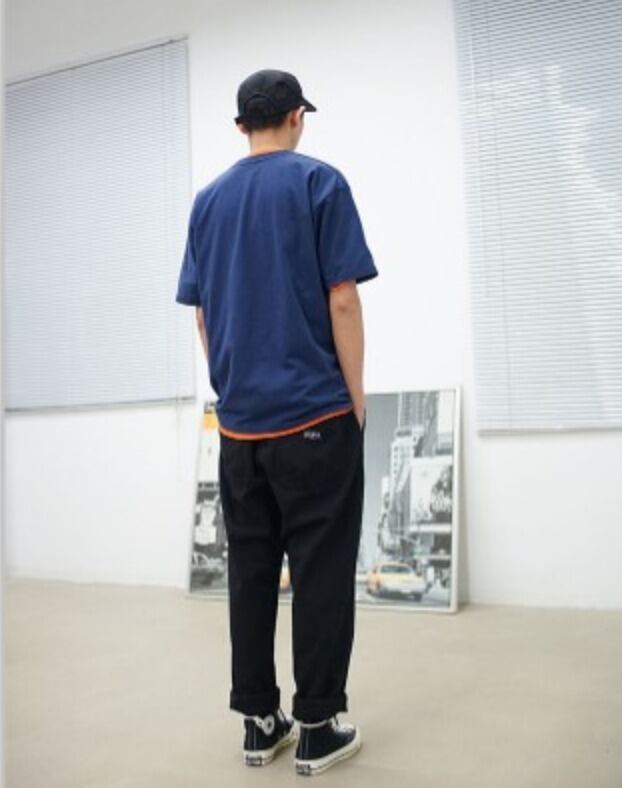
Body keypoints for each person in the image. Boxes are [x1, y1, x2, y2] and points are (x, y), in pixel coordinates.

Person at [175, 68, 378, 776]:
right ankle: (318, 726)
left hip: (241, 429)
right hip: (316, 416)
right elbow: (342, 298)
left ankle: (260, 724)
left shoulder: (207, 202)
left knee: (252, 571)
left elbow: (204, 314)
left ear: (241, 126)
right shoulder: (320, 182)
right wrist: (355, 396)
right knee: (321, 572)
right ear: (297, 117)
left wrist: (232, 392)